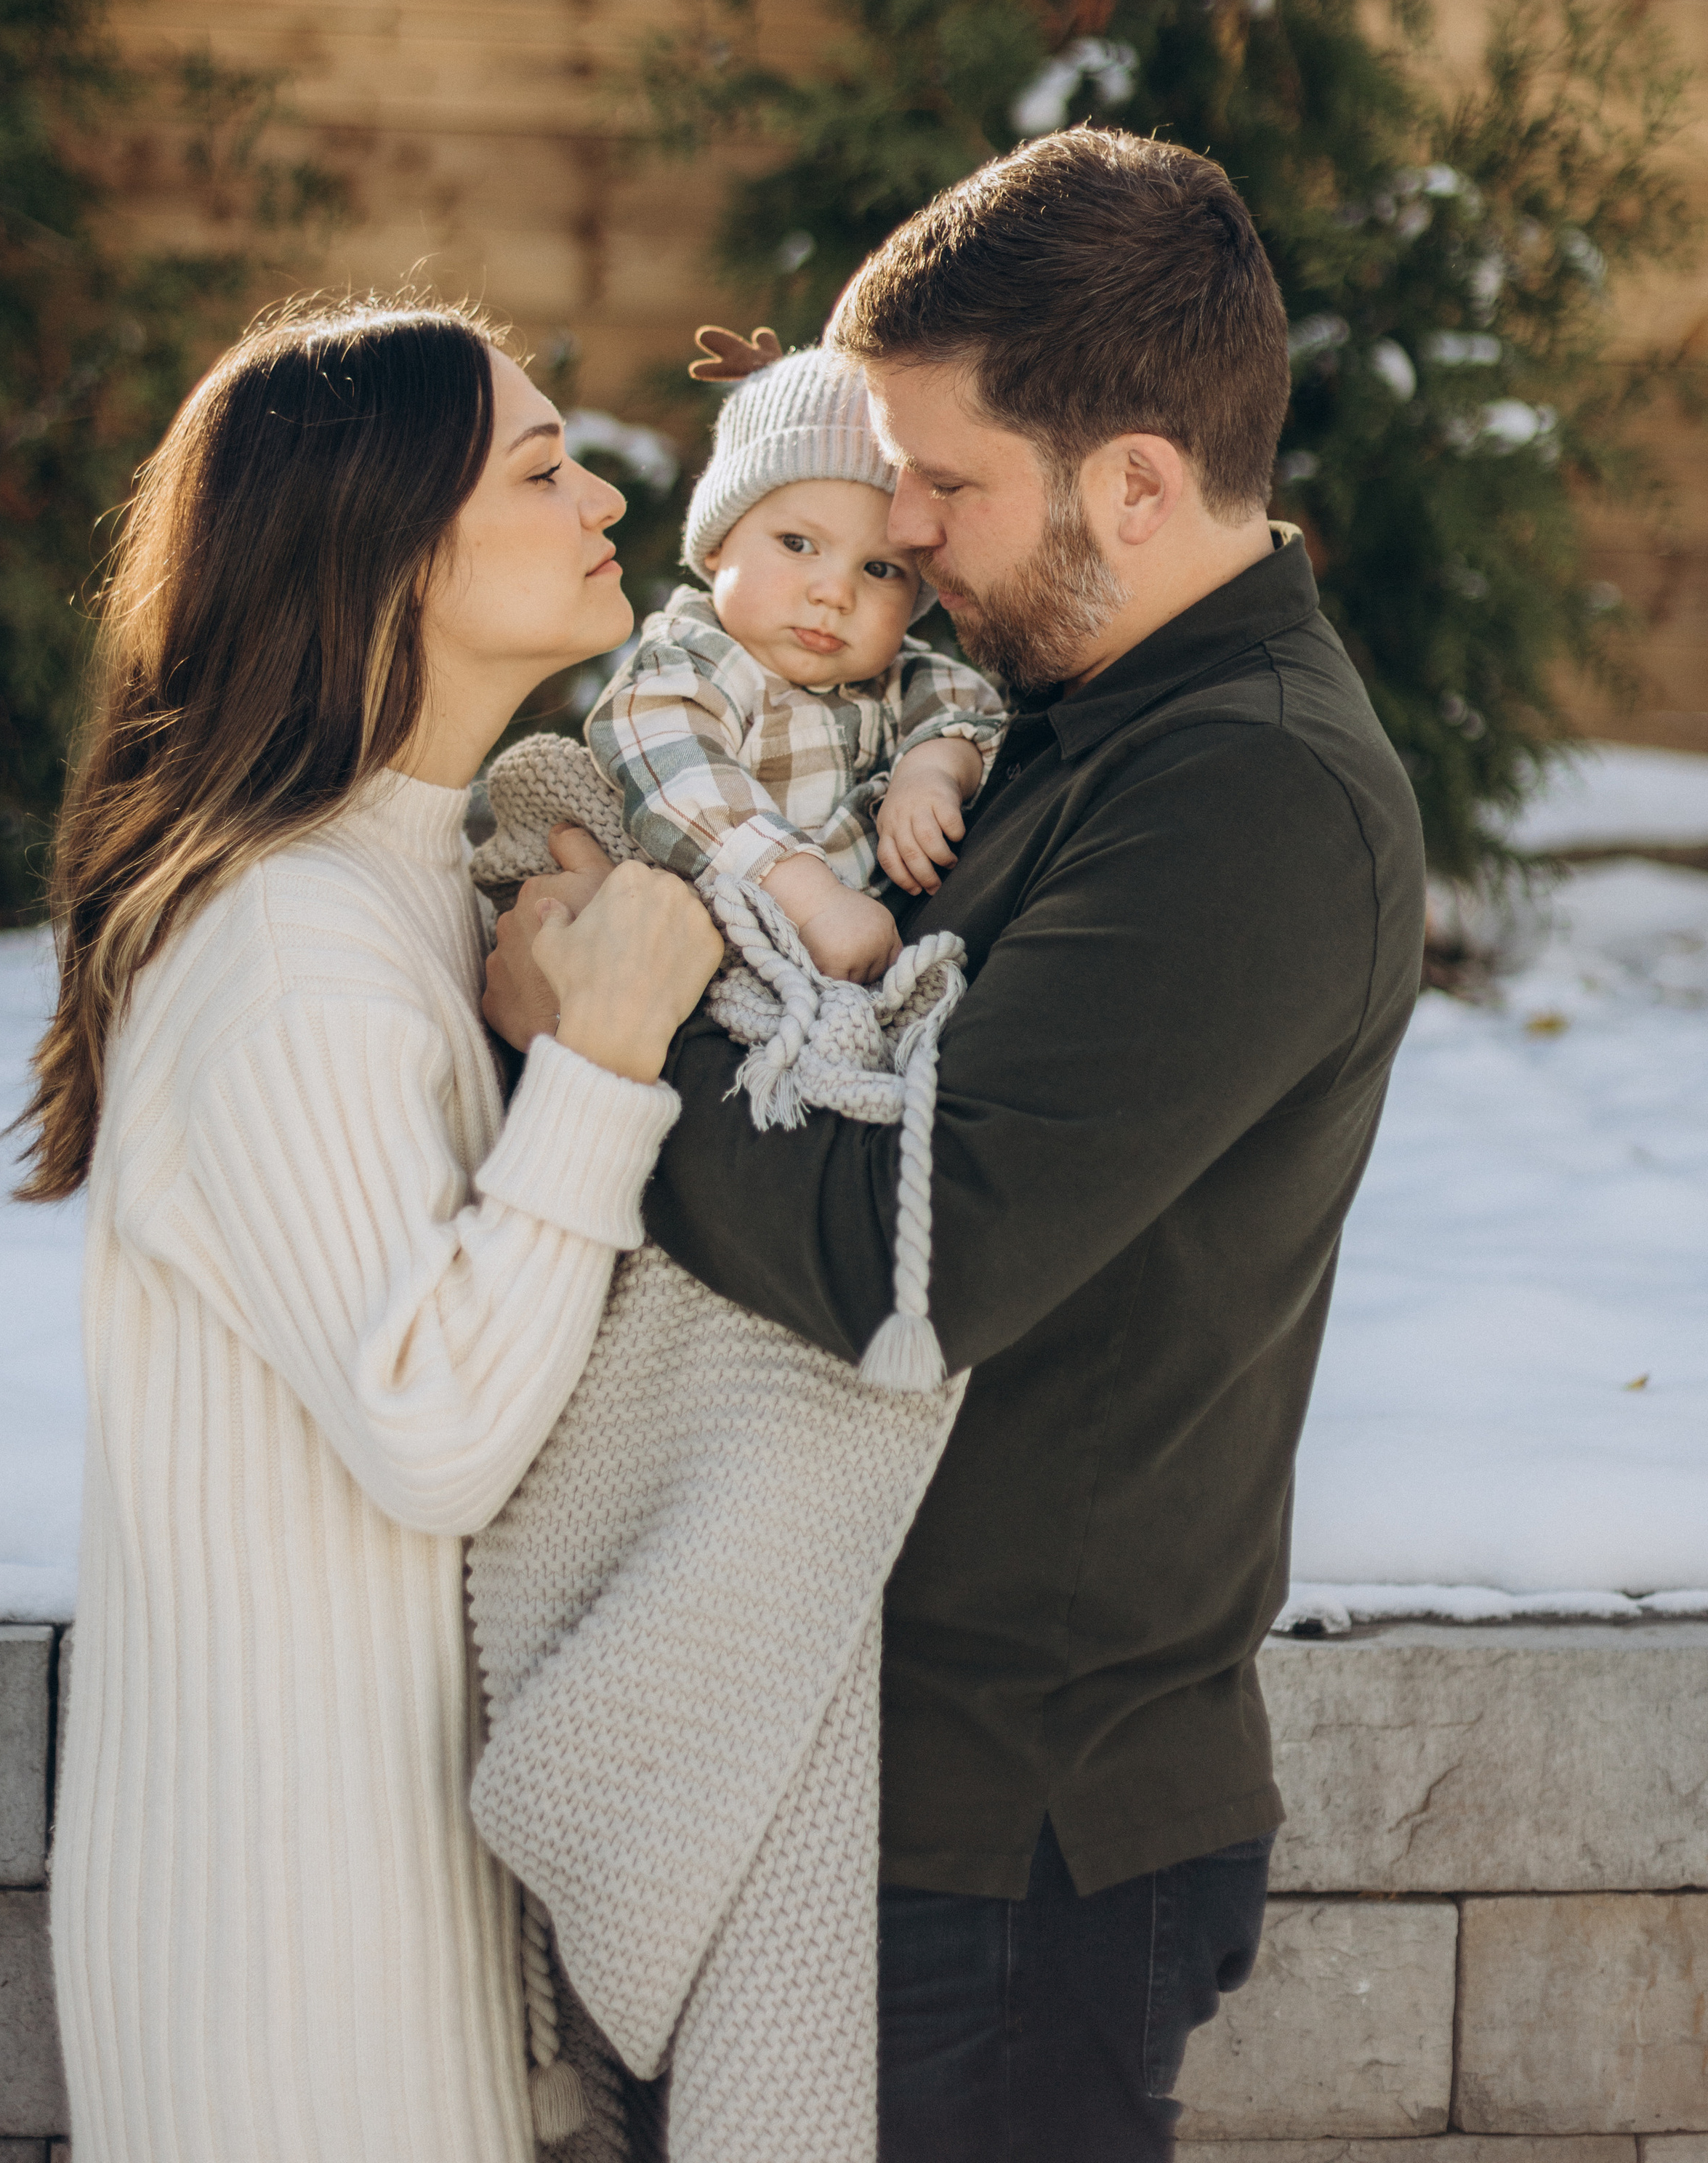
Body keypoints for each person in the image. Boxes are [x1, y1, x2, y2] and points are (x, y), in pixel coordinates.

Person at [485, 128, 1428, 2162]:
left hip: (1009, 1842)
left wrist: (602, 1048)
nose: (892, 529)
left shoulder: (1251, 802)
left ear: (1141, 483)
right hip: (862, 1784)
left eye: (942, 483)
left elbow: (911, 1274)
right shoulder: (1041, 702)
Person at [17, 297, 722, 2163]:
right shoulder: (289, 946)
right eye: (540, 467)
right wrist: (606, 1054)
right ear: (391, 547)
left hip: (376, 1901)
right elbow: (431, 1424)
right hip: (289, 1967)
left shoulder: (393, 877)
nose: (600, 496)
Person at [584, 326, 1003, 986]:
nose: (834, 593)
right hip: (698, 957)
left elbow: (970, 710)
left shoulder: (898, 679)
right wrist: (815, 900)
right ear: (719, 545)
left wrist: (932, 771)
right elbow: (678, 774)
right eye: (798, 544)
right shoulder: (694, 663)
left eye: (881, 569)